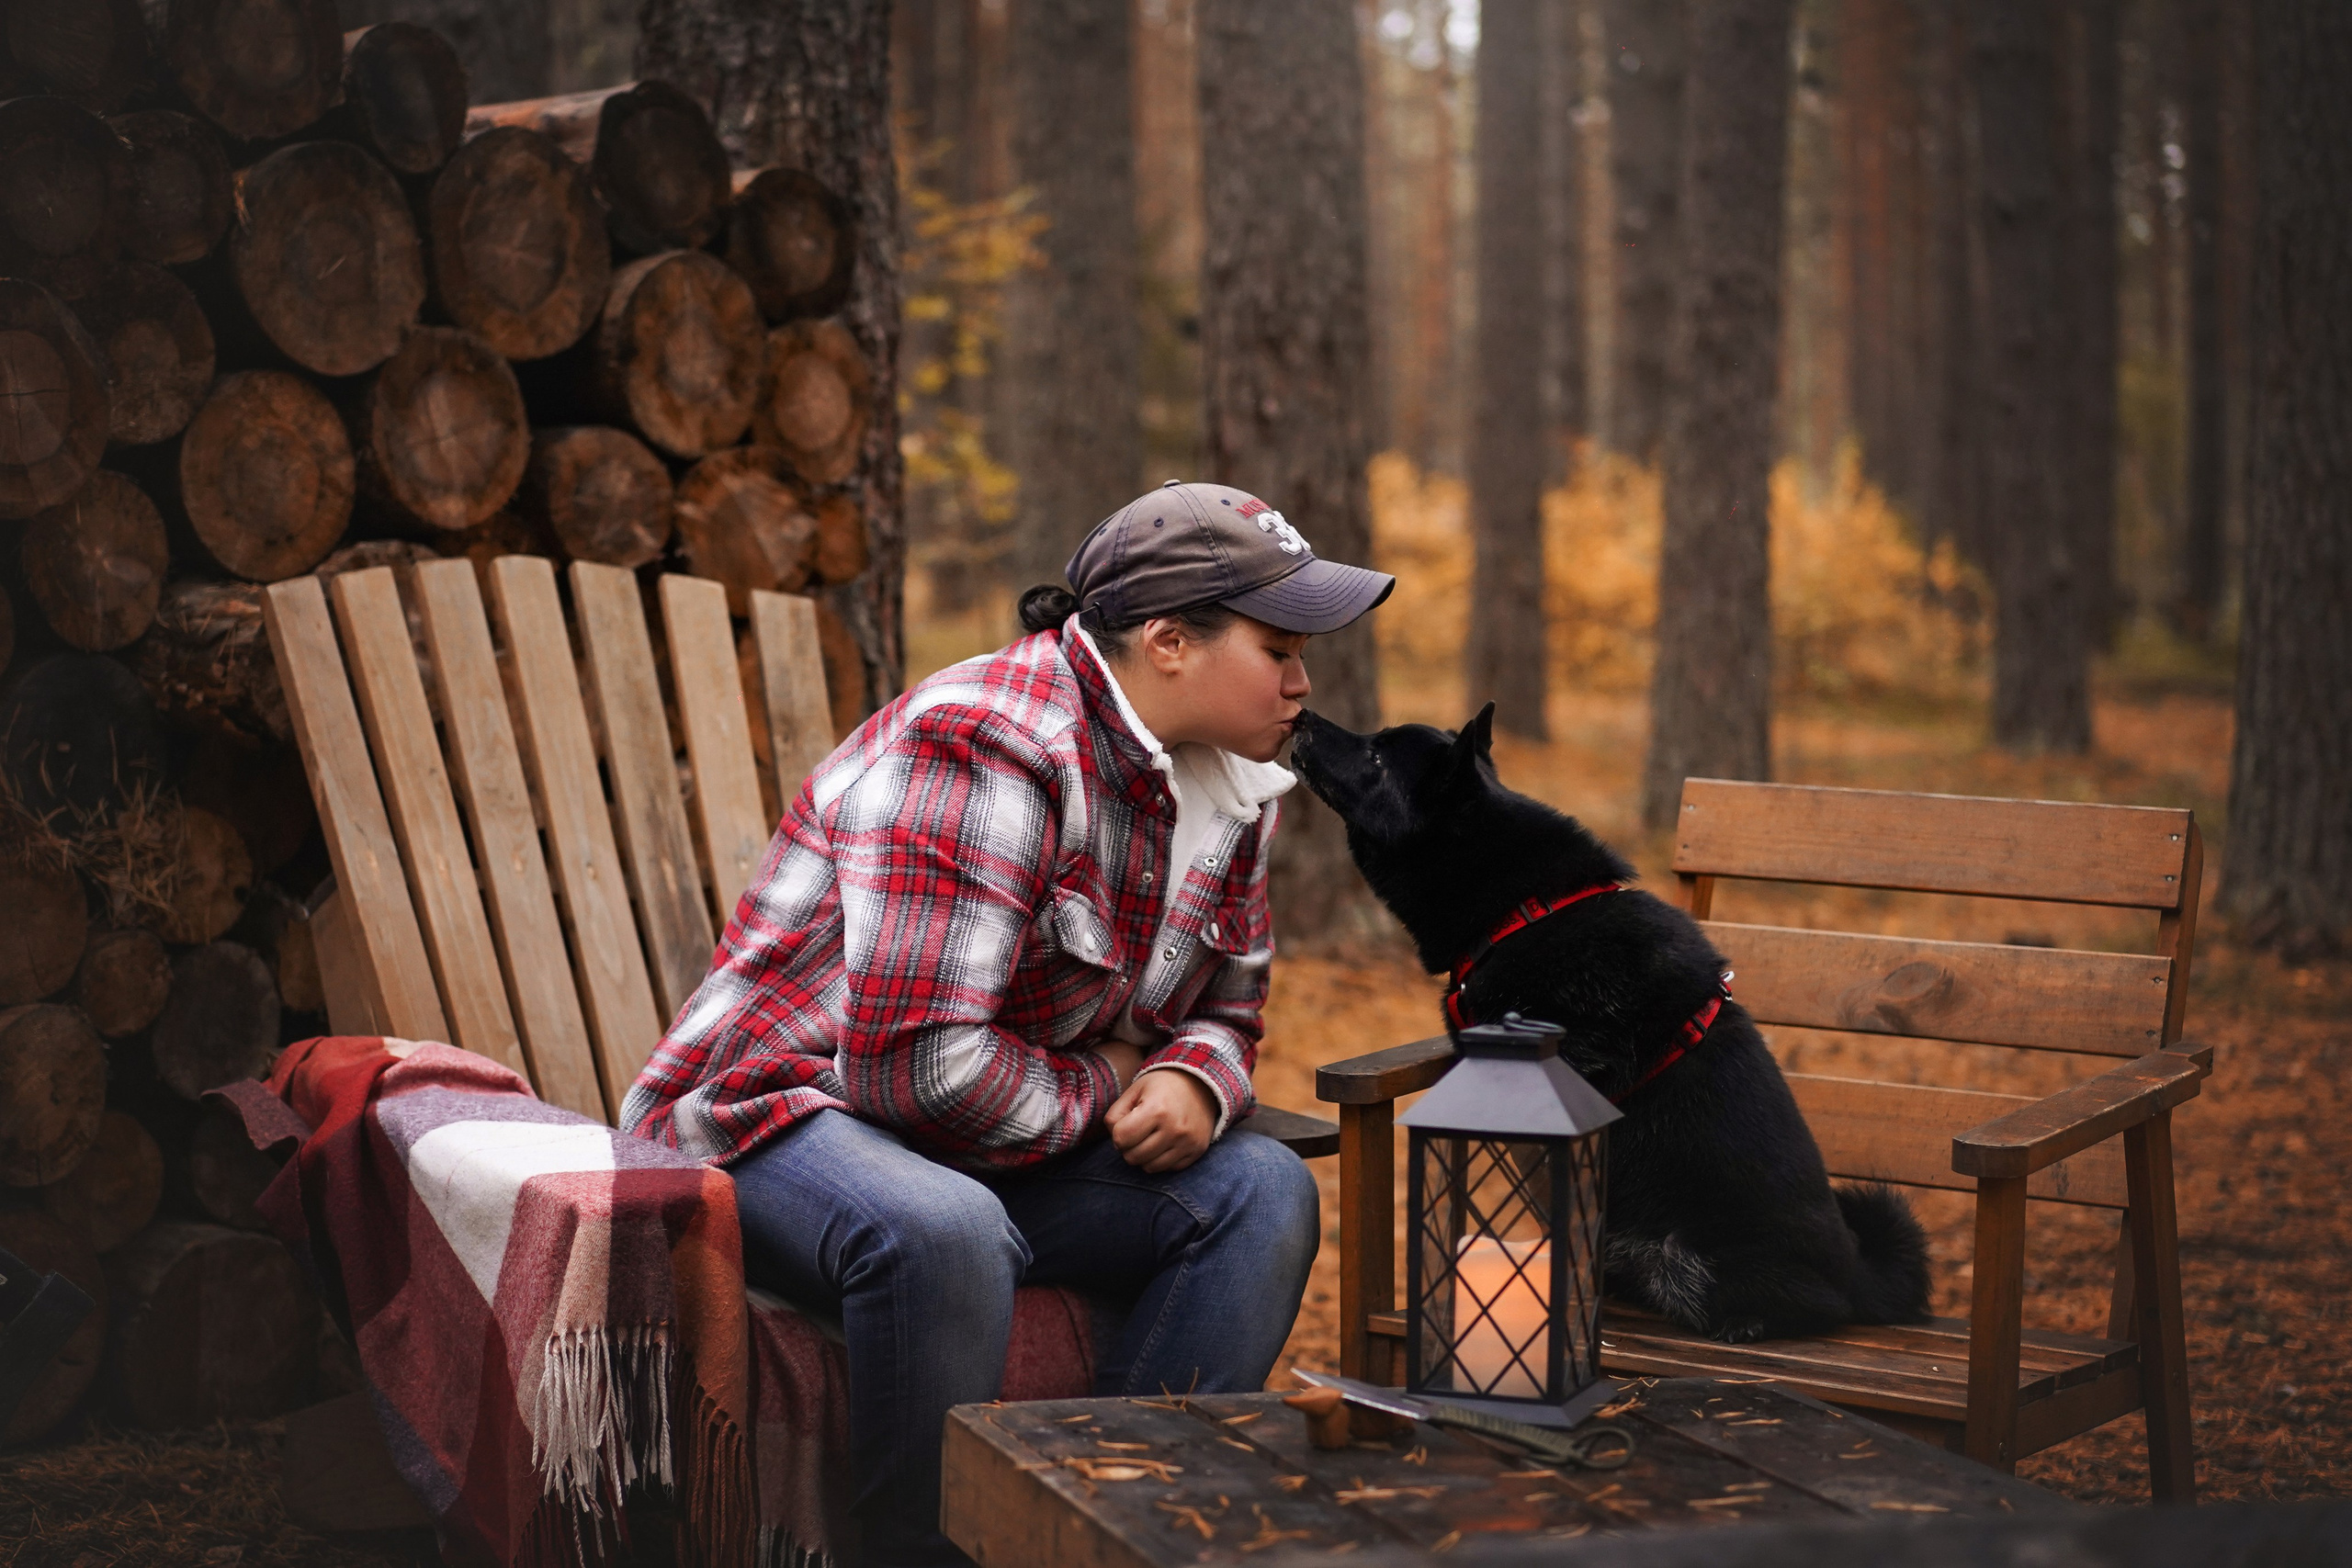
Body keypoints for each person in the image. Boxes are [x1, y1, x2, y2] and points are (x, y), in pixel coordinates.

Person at [622, 480, 1394, 1565]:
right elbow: (917, 1069)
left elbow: (1229, 1007)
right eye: (1279, 649)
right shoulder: (987, 743)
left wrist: (1193, 1077)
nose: (1302, 683)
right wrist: (1110, 1078)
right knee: (943, 1230)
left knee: (1261, 1194)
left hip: (993, 1136)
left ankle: (1122, 1533)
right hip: (783, 1120)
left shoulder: (1233, 788)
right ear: (1169, 642)